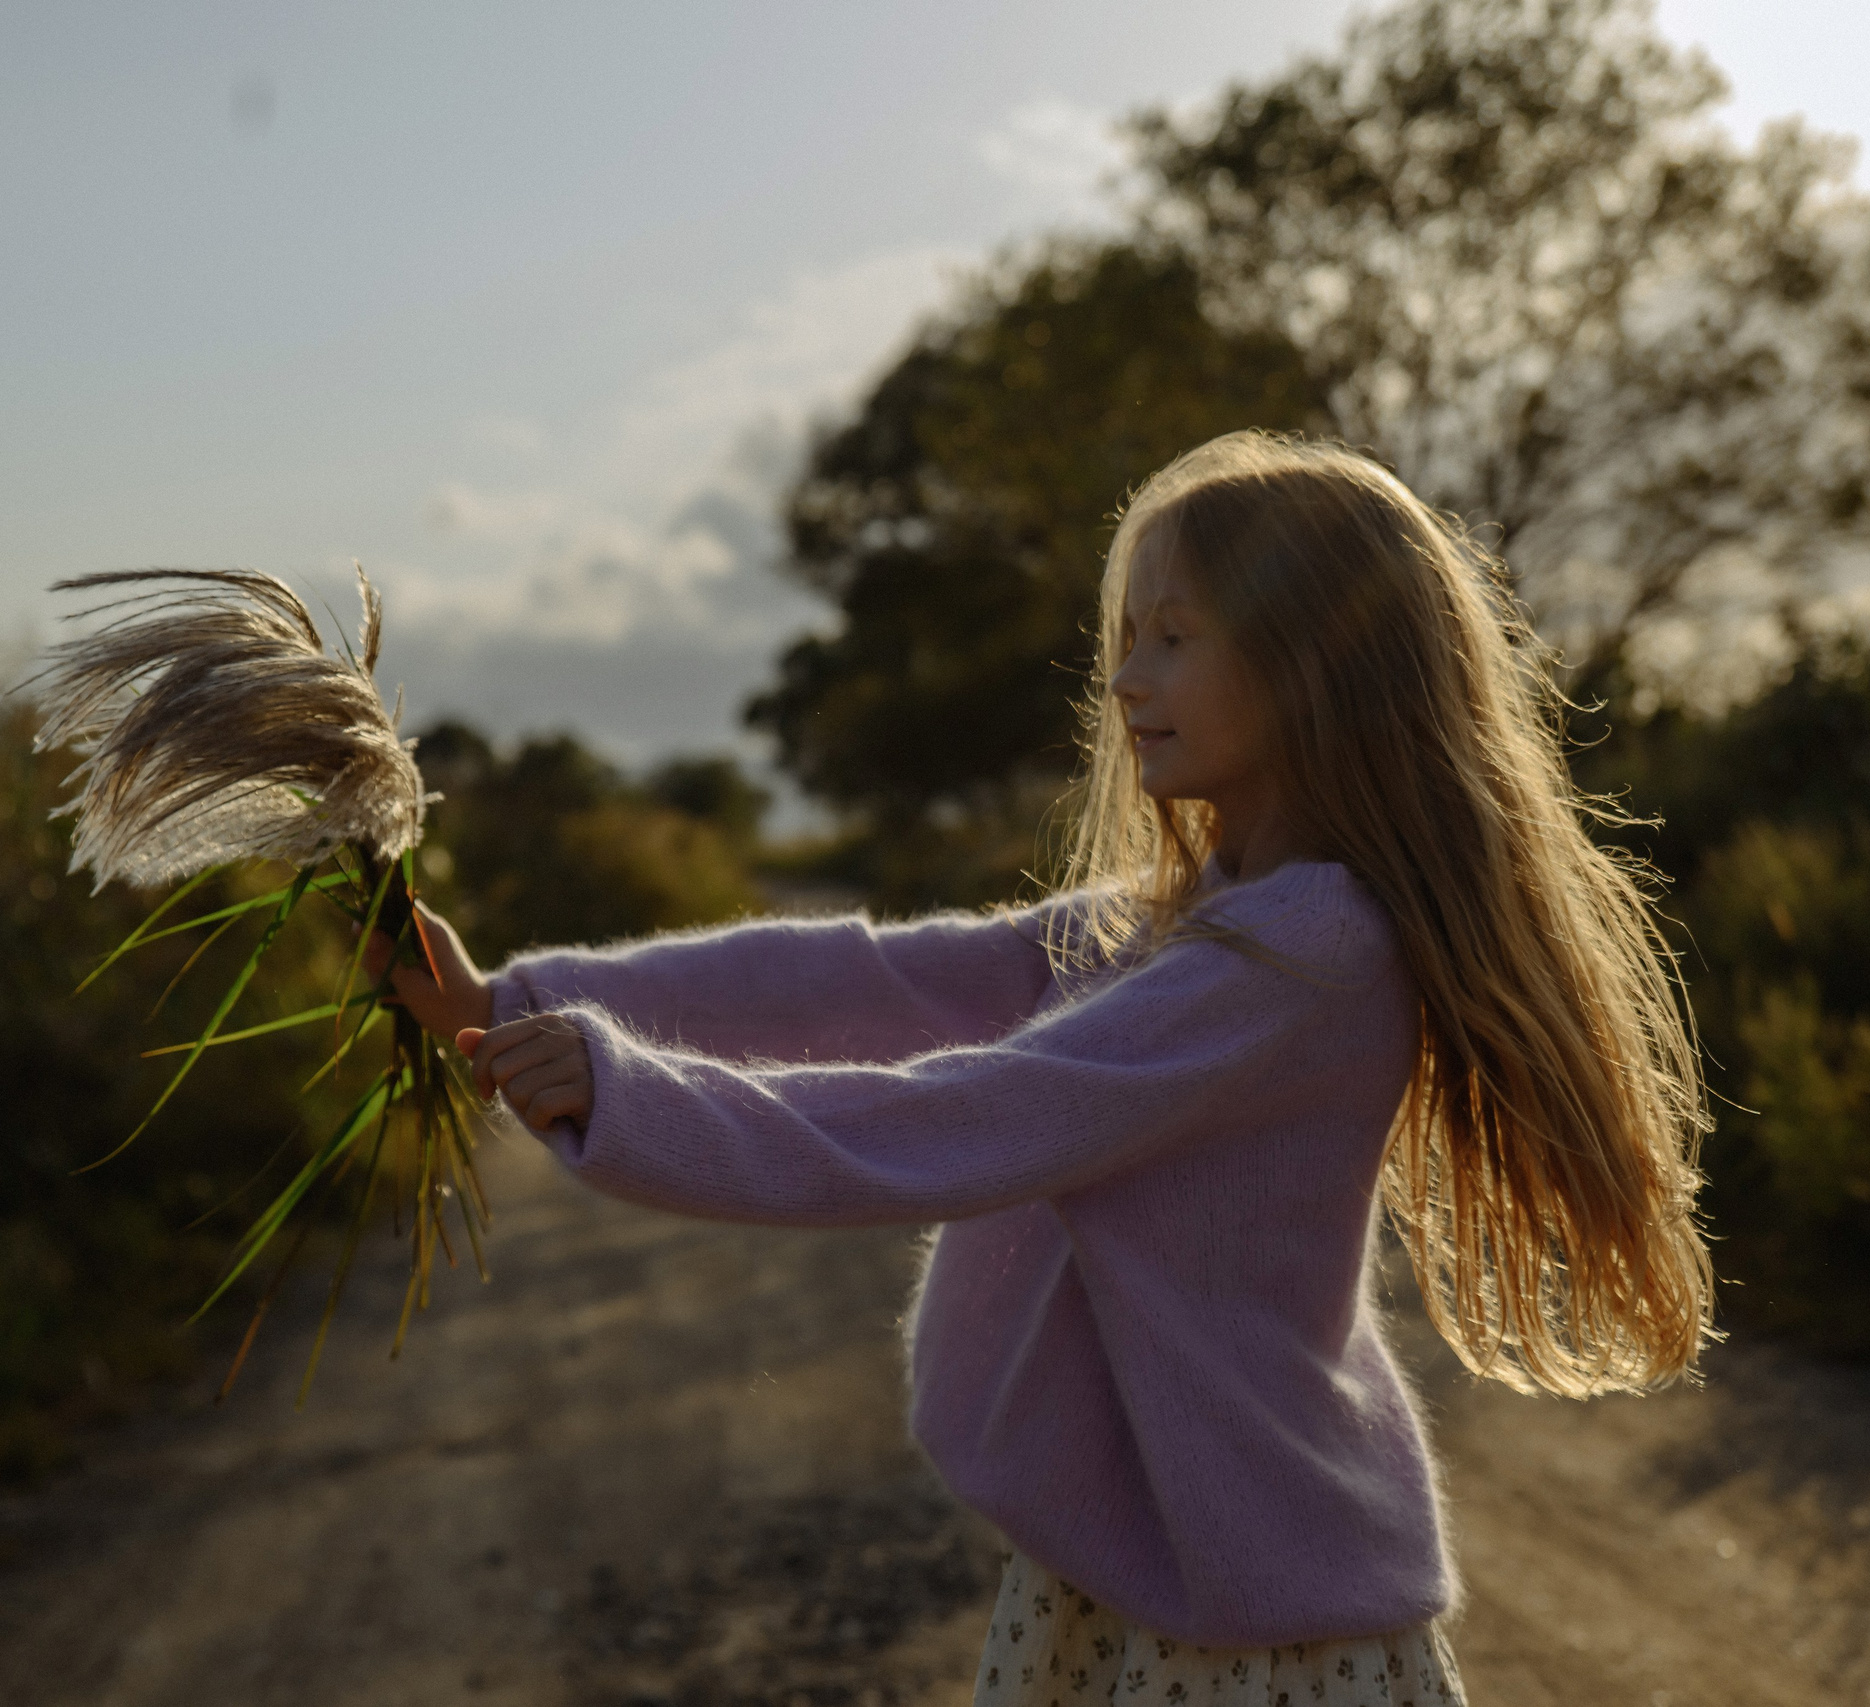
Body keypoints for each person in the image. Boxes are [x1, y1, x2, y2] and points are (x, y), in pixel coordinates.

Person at [373, 430, 1716, 1705]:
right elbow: (877, 980)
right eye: (1127, 642)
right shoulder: (1180, 926)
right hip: (1144, 1571)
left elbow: (972, 1116)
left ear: (1318, 665)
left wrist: (629, 1097)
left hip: (1256, 1623)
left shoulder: (1300, 957)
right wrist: (519, 999)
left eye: (1175, 641)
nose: (1128, 681)